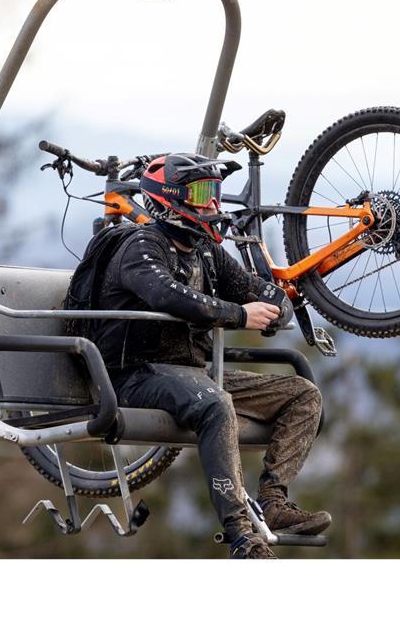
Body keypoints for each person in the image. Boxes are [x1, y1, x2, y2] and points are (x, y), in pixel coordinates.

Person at [83, 152, 330, 559]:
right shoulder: (141, 245)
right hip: (133, 376)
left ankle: (273, 501)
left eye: (215, 194)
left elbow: (262, 290)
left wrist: (273, 311)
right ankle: (240, 534)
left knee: (303, 395)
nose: (213, 205)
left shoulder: (206, 252)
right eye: (202, 194)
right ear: (170, 198)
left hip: (192, 373)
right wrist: (239, 315)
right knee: (215, 404)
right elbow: (168, 295)